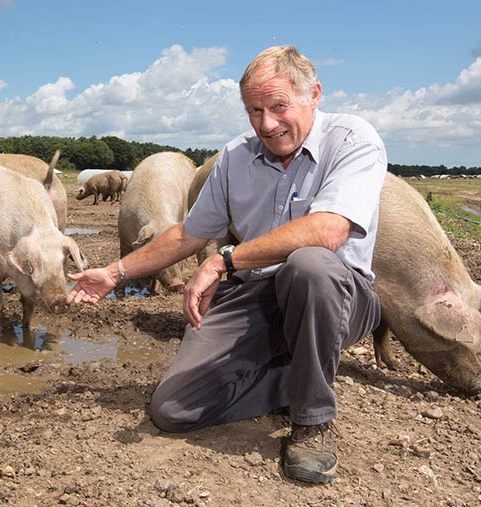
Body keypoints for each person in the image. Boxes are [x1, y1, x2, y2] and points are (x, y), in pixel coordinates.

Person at [66, 45, 387, 485]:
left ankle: (312, 419)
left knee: (309, 266)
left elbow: (328, 231)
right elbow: (187, 234)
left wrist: (225, 259)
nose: (267, 124)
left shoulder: (353, 139)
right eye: (254, 111)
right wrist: (114, 273)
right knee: (172, 409)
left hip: (336, 295)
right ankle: (294, 376)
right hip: (255, 295)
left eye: (278, 106)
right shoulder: (236, 156)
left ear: (313, 94)